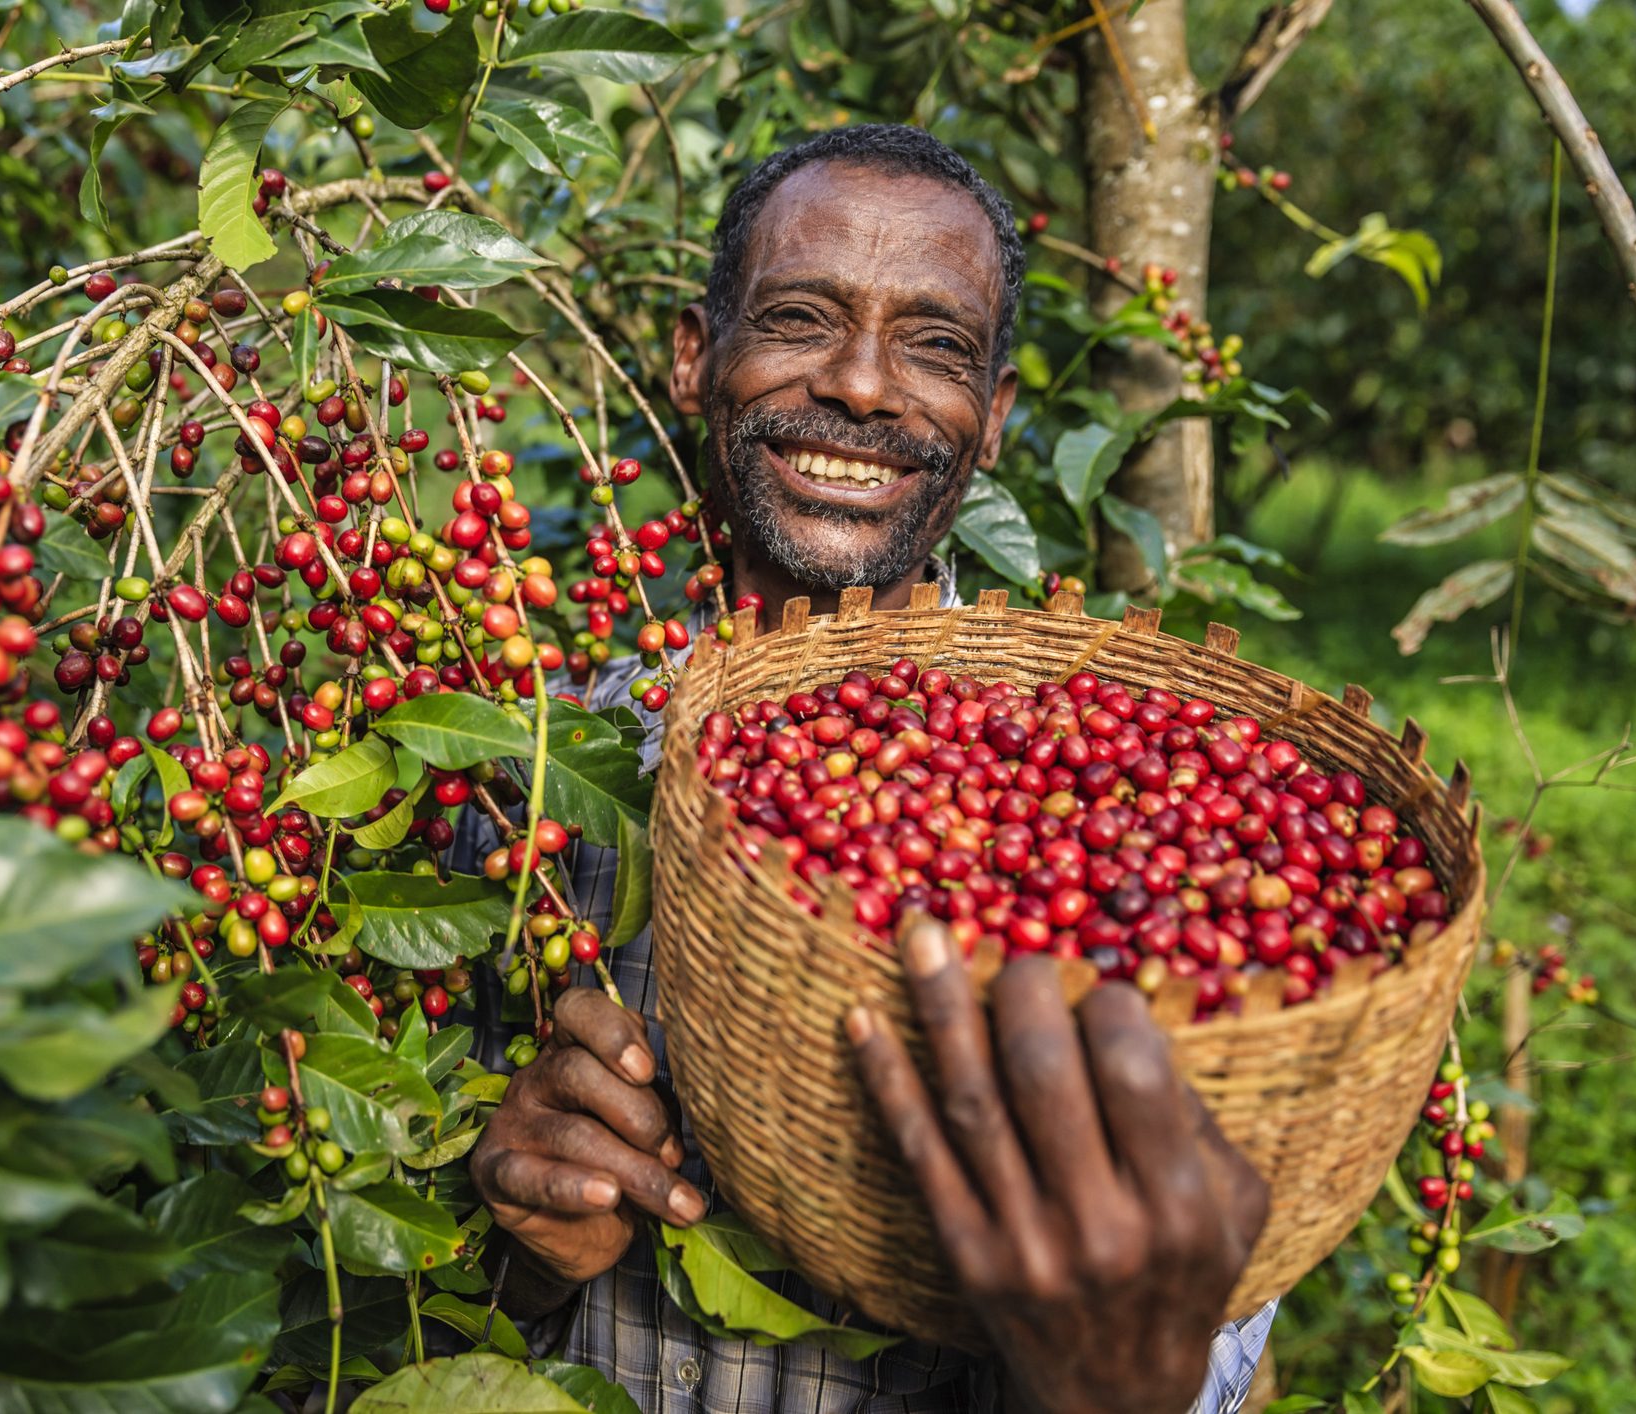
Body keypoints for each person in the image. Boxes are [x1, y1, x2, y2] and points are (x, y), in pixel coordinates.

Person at [468, 124, 1276, 1413]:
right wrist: (518, 1260)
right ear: (695, 358)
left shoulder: (1115, 820)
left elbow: (1219, 1346)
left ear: (996, 419)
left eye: (937, 347)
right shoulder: (526, 782)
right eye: (800, 318)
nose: (860, 385)